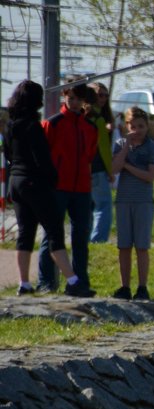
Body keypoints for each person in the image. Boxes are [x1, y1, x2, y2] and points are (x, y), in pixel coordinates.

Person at [3, 80, 94, 297]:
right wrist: (51, 179)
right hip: (35, 183)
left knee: (25, 233)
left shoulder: (11, 125)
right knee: (54, 231)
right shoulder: (34, 126)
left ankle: (24, 283)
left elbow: (7, 154)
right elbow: (42, 158)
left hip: (16, 181)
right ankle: (73, 280)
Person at [37, 79, 97, 293]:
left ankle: (80, 282)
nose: (73, 103)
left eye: (78, 99)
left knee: (81, 237)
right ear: (64, 97)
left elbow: (89, 155)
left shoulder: (90, 127)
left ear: (83, 101)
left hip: (81, 188)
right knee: (52, 235)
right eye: (70, 98)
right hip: (57, 187)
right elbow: (43, 156)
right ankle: (46, 282)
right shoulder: (53, 124)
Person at [110, 107, 154, 300]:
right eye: (133, 126)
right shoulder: (119, 144)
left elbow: (150, 176)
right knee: (123, 246)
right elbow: (114, 169)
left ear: (147, 126)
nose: (137, 130)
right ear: (126, 126)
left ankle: (142, 286)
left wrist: (128, 166)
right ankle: (124, 286)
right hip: (123, 200)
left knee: (141, 246)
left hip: (143, 201)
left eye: (141, 126)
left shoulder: (152, 147)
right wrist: (125, 149)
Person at [85, 82, 115, 243]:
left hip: (84, 171)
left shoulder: (82, 116)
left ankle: (86, 239)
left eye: (106, 95)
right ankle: (98, 240)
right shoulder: (98, 119)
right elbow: (103, 148)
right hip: (97, 169)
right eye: (100, 95)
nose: (103, 98)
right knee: (103, 207)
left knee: (88, 208)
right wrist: (110, 171)